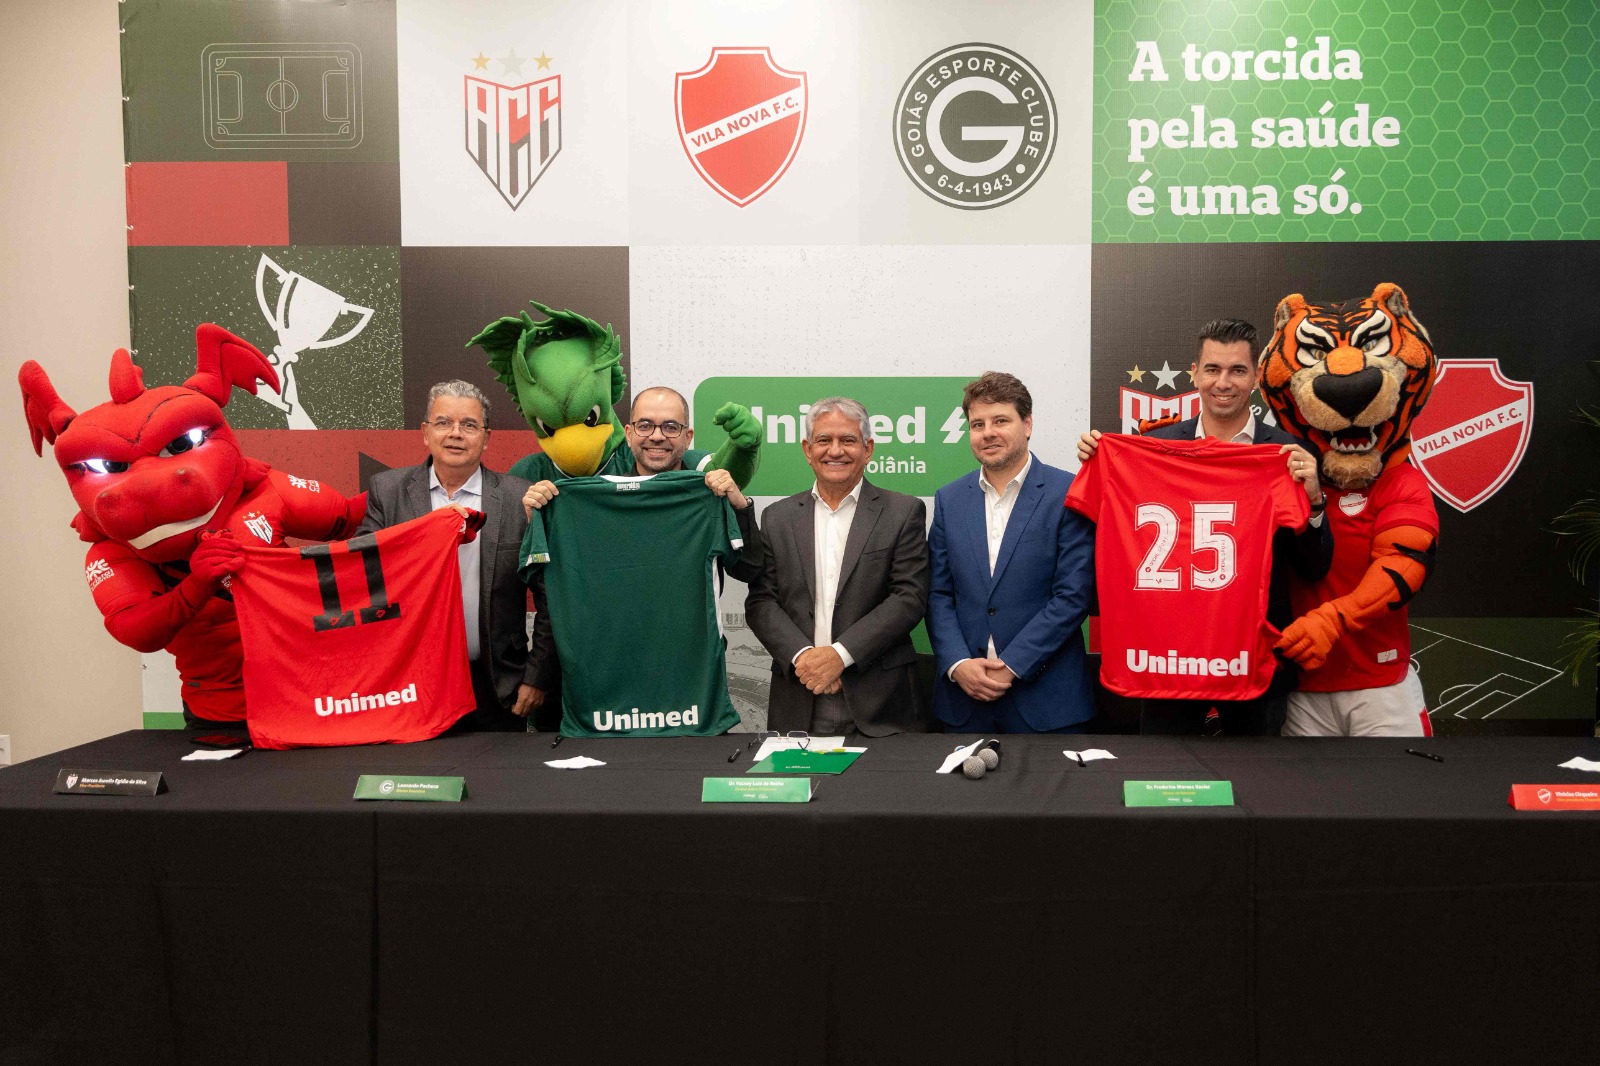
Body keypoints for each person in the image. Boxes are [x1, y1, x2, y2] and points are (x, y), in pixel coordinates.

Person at [1079, 318, 1331, 734]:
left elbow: (1315, 567)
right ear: (1194, 373)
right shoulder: (1158, 447)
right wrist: (1102, 458)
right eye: (1213, 369)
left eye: (1237, 370)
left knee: (1257, 774)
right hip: (1167, 658)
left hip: (1252, 659)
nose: (1223, 382)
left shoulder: (1287, 453)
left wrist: (1315, 499)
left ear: (1255, 378)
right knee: (1165, 770)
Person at [358, 380, 556, 731]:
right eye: (443, 422)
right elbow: (362, 575)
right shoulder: (387, 491)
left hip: (498, 686)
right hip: (410, 685)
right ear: (425, 432)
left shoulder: (519, 499)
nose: (455, 434)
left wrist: (536, 676)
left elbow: (550, 596)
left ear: (486, 437)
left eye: (469, 425)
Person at [736, 397, 931, 737]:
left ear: (868, 449)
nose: (835, 451)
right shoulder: (778, 517)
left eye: (848, 440)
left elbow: (909, 598)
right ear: (807, 449)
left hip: (881, 704)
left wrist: (839, 656)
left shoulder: (903, 512)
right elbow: (761, 601)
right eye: (824, 440)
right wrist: (804, 658)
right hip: (799, 695)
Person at [927, 372, 1096, 733]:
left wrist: (1013, 664)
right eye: (978, 424)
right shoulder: (949, 500)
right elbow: (938, 594)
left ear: (1028, 424)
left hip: (1048, 703)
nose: (988, 433)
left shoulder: (1069, 493)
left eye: (1000, 421)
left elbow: (1073, 595)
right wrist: (958, 664)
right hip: (964, 704)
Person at [520, 385, 760, 565]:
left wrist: (739, 507)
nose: (656, 436)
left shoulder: (709, 495)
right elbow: (564, 577)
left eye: (670, 427)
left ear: (687, 438)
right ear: (628, 434)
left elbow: (749, 569)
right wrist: (538, 523)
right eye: (645, 426)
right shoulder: (601, 500)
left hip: (695, 621)